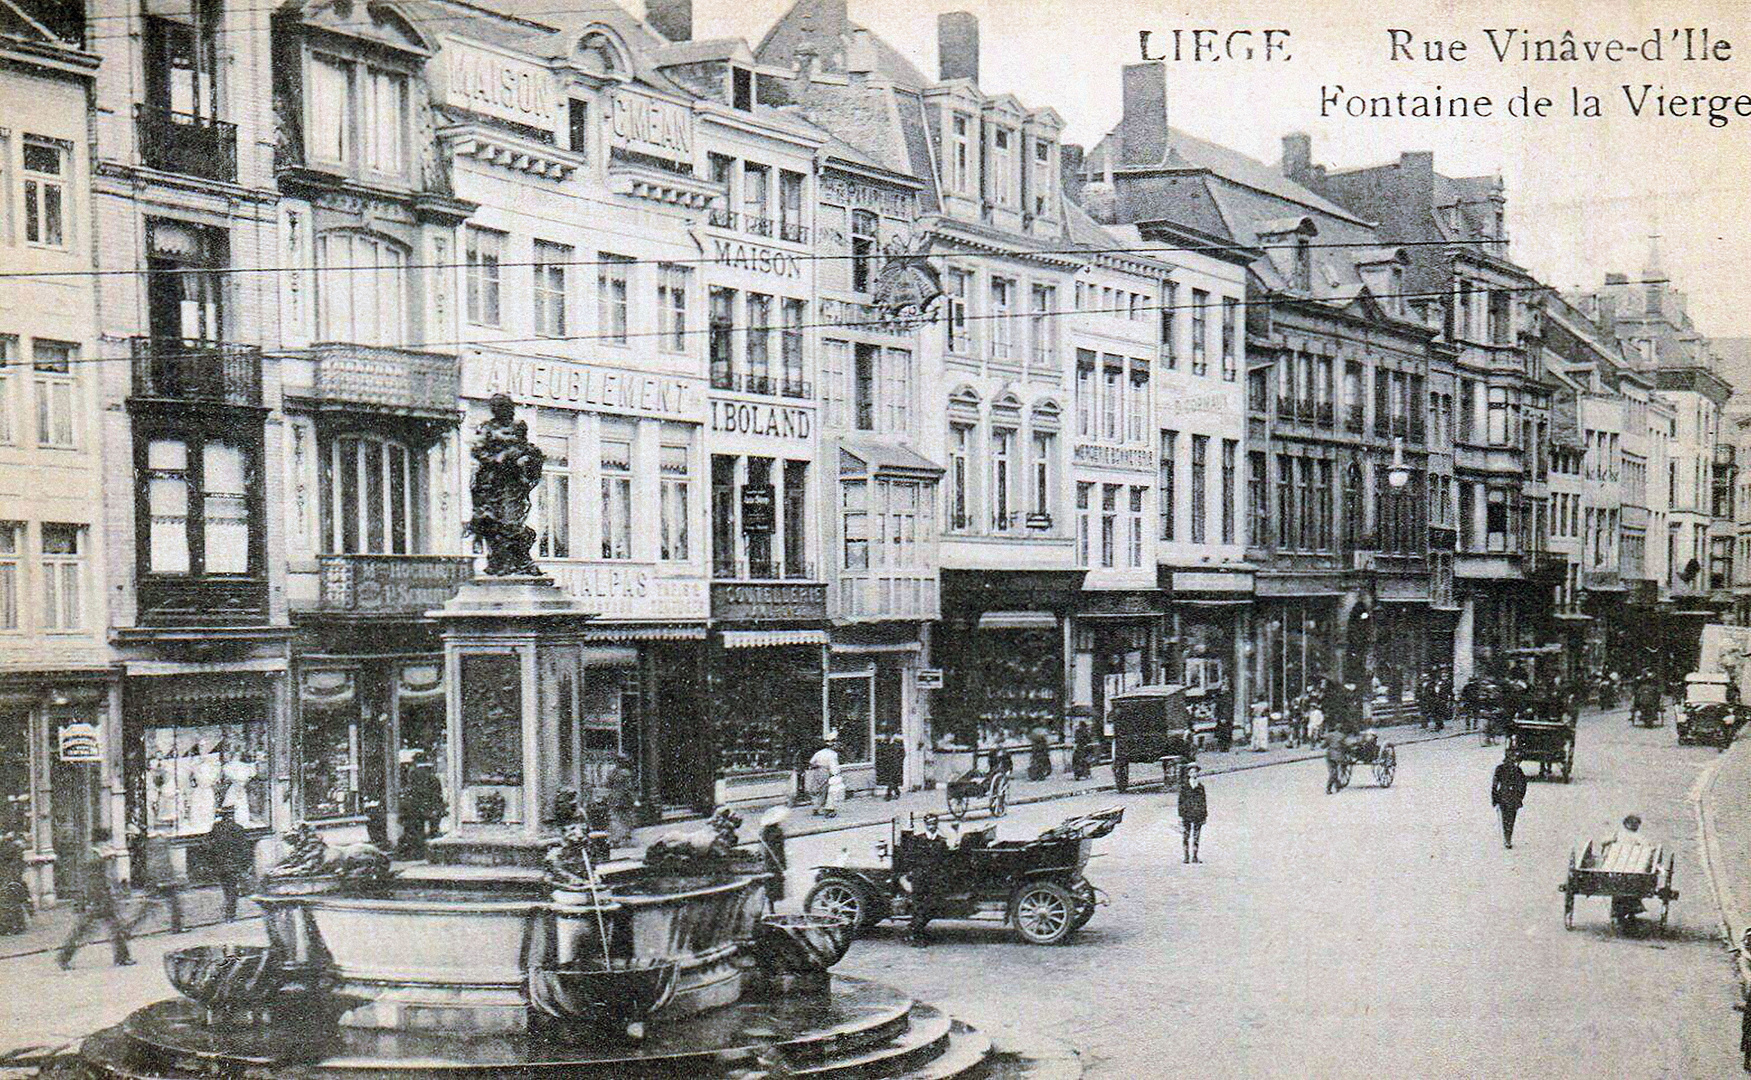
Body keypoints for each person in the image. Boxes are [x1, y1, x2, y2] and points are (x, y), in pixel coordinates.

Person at [56, 827, 134, 969]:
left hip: (102, 900)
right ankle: (64, 957)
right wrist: (99, 900)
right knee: (83, 930)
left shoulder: (98, 856)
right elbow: (94, 883)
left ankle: (122, 957)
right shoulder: (94, 858)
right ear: (101, 842)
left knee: (112, 929)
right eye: (107, 841)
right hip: (99, 901)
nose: (109, 843)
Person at [904, 813, 951, 947]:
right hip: (920, 878)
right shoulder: (917, 840)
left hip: (934, 879)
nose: (932, 826)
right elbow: (910, 859)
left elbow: (945, 861)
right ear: (925, 825)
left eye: (934, 824)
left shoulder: (941, 841)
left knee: (931, 906)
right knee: (919, 906)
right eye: (930, 824)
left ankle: (914, 929)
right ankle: (916, 935)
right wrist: (912, 874)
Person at [205, 805, 255, 922]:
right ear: (232, 815)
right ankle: (230, 914)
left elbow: (209, 845)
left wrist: (212, 861)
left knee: (226, 887)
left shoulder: (216, 828)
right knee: (232, 888)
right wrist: (246, 864)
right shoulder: (238, 828)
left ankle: (228, 910)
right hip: (234, 863)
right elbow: (244, 848)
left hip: (221, 863)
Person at [397, 757, 447, 860]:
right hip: (428, 806)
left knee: (415, 831)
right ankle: (432, 853)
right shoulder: (433, 777)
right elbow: (437, 794)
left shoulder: (413, 774)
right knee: (433, 831)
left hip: (414, 807)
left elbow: (410, 790)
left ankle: (416, 853)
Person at [1490, 746, 1528, 849]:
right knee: (1508, 819)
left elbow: (1523, 785)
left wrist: (1520, 797)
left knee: (1508, 819)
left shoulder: (1514, 770)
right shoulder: (1513, 770)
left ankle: (1508, 838)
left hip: (1509, 797)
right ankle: (1507, 838)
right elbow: (1494, 784)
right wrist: (1494, 797)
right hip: (1508, 797)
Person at [0, 831, 29, 935]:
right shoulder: (12, 847)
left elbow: (15, 865)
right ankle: (12, 927)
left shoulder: (11, 848)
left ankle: (12, 927)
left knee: (9, 902)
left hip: (9, 878)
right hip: (9, 878)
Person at [1178, 765, 1208, 863]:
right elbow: (1180, 801)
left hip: (1198, 814)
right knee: (1186, 835)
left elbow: (1204, 801)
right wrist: (1181, 815)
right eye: (1191, 772)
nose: (1194, 774)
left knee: (1196, 836)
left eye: (1195, 772)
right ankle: (1186, 856)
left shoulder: (1200, 787)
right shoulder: (1184, 787)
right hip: (1187, 814)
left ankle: (1195, 856)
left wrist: (1204, 815)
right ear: (1188, 774)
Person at [808, 736, 843, 817]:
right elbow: (834, 766)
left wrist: (818, 765)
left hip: (818, 771)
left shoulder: (819, 753)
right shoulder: (833, 754)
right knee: (826, 790)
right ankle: (824, 808)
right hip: (826, 771)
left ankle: (816, 807)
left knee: (817, 789)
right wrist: (836, 774)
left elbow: (811, 762)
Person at [1324, 727, 1346, 795]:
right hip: (1337, 755)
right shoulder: (1342, 736)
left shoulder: (1329, 735)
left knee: (1333, 771)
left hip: (1329, 755)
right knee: (1334, 772)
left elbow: (1323, 745)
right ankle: (1329, 788)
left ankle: (1337, 785)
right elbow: (1346, 745)